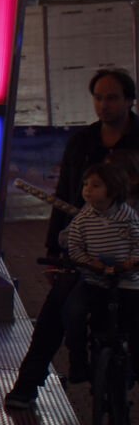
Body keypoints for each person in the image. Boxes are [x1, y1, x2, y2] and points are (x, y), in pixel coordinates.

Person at [5, 68, 139, 409]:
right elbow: (65, 195)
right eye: (98, 98)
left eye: (112, 98)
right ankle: (27, 387)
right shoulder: (82, 142)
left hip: (131, 249)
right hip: (86, 248)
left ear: (129, 100)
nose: (104, 105)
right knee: (55, 314)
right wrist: (55, 249)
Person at [59, 163, 139, 384]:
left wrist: (131, 262)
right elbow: (74, 247)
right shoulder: (83, 220)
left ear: (113, 190)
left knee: (134, 321)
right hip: (94, 280)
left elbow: (137, 243)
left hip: (127, 282)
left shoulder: (129, 217)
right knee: (72, 313)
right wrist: (90, 263)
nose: (87, 189)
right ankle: (78, 360)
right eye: (86, 184)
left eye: (95, 185)